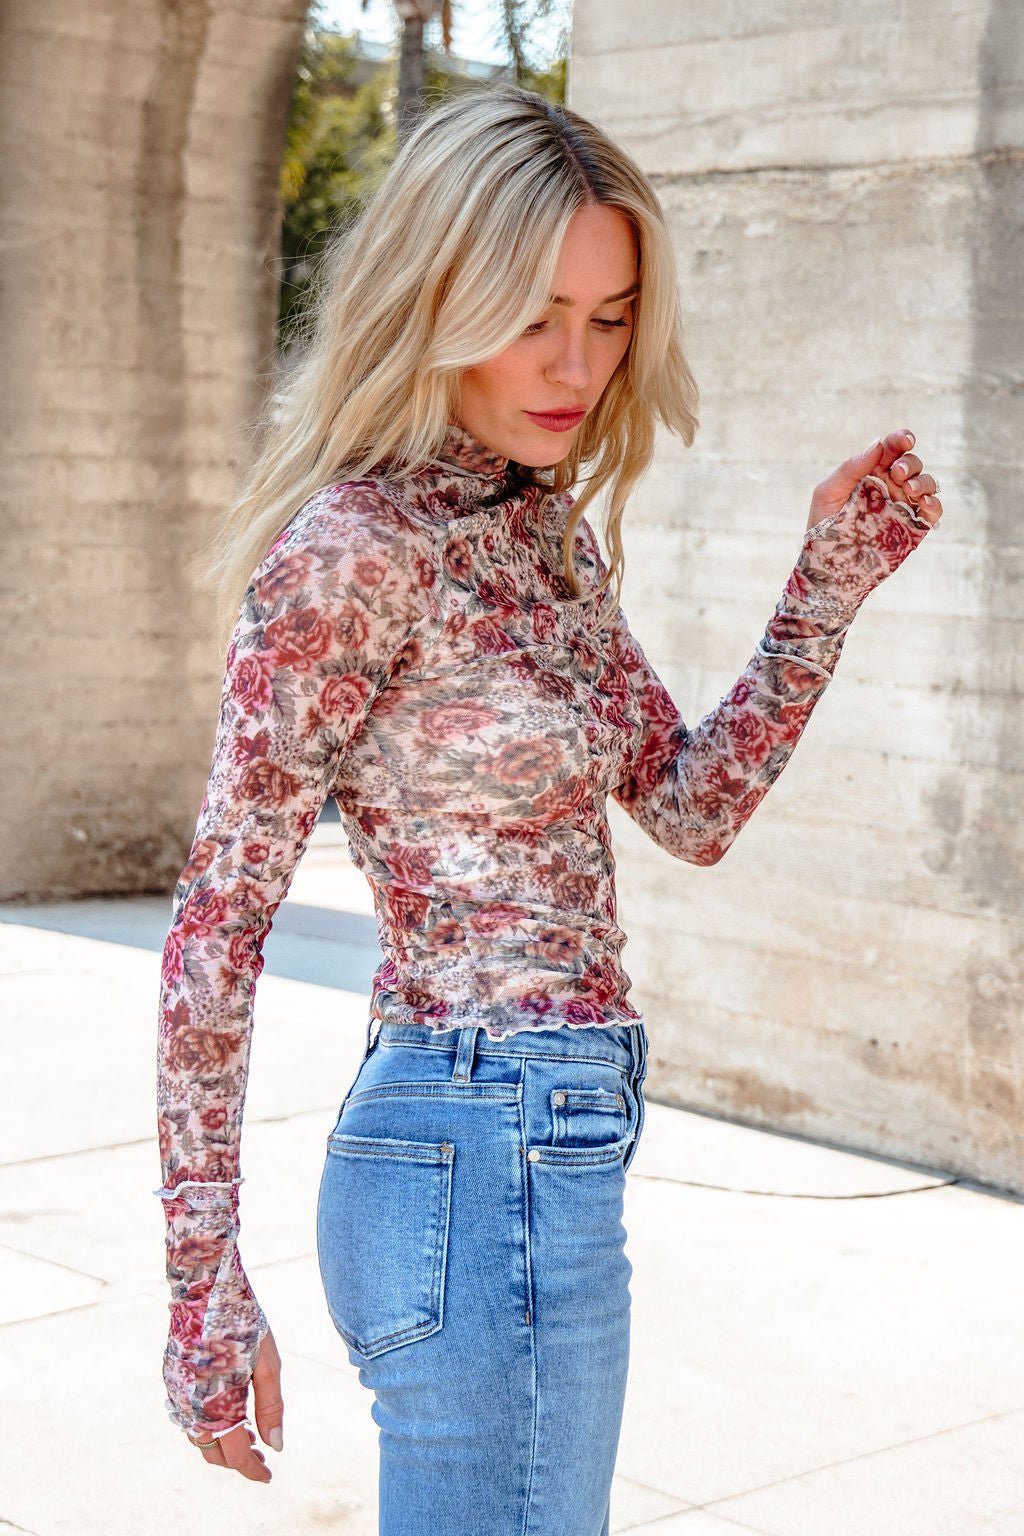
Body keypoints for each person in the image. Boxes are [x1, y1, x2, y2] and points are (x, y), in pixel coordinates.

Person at [153, 83, 943, 1532]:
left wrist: (824, 588)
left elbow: (691, 806)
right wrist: (201, 1281)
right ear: (433, 294)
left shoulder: (539, 540)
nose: (575, 363)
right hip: (470, 1147)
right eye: (534, 314)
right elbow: (217, 922)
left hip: (549, 1148)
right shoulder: (352, 554)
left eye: (611, 314)